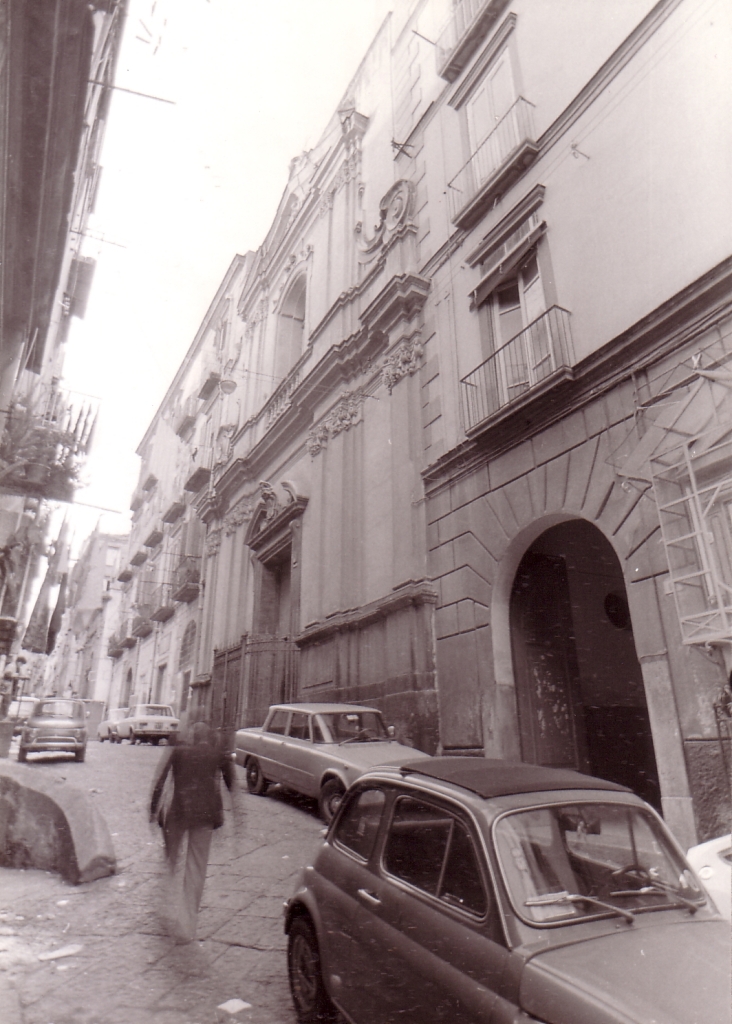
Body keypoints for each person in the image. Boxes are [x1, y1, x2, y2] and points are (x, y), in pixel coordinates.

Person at [150, 720, 237, 943]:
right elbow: (232, 784)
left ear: (193, 737)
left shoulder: (179, 753)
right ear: (209, 738)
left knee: (170, 861)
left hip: (178, 813)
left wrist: (153, 810)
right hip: (204, 816)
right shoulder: (218, 754)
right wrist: (237, 816)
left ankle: (165, 907)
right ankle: (186, 927)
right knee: (196, 869)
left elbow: (161, 781)